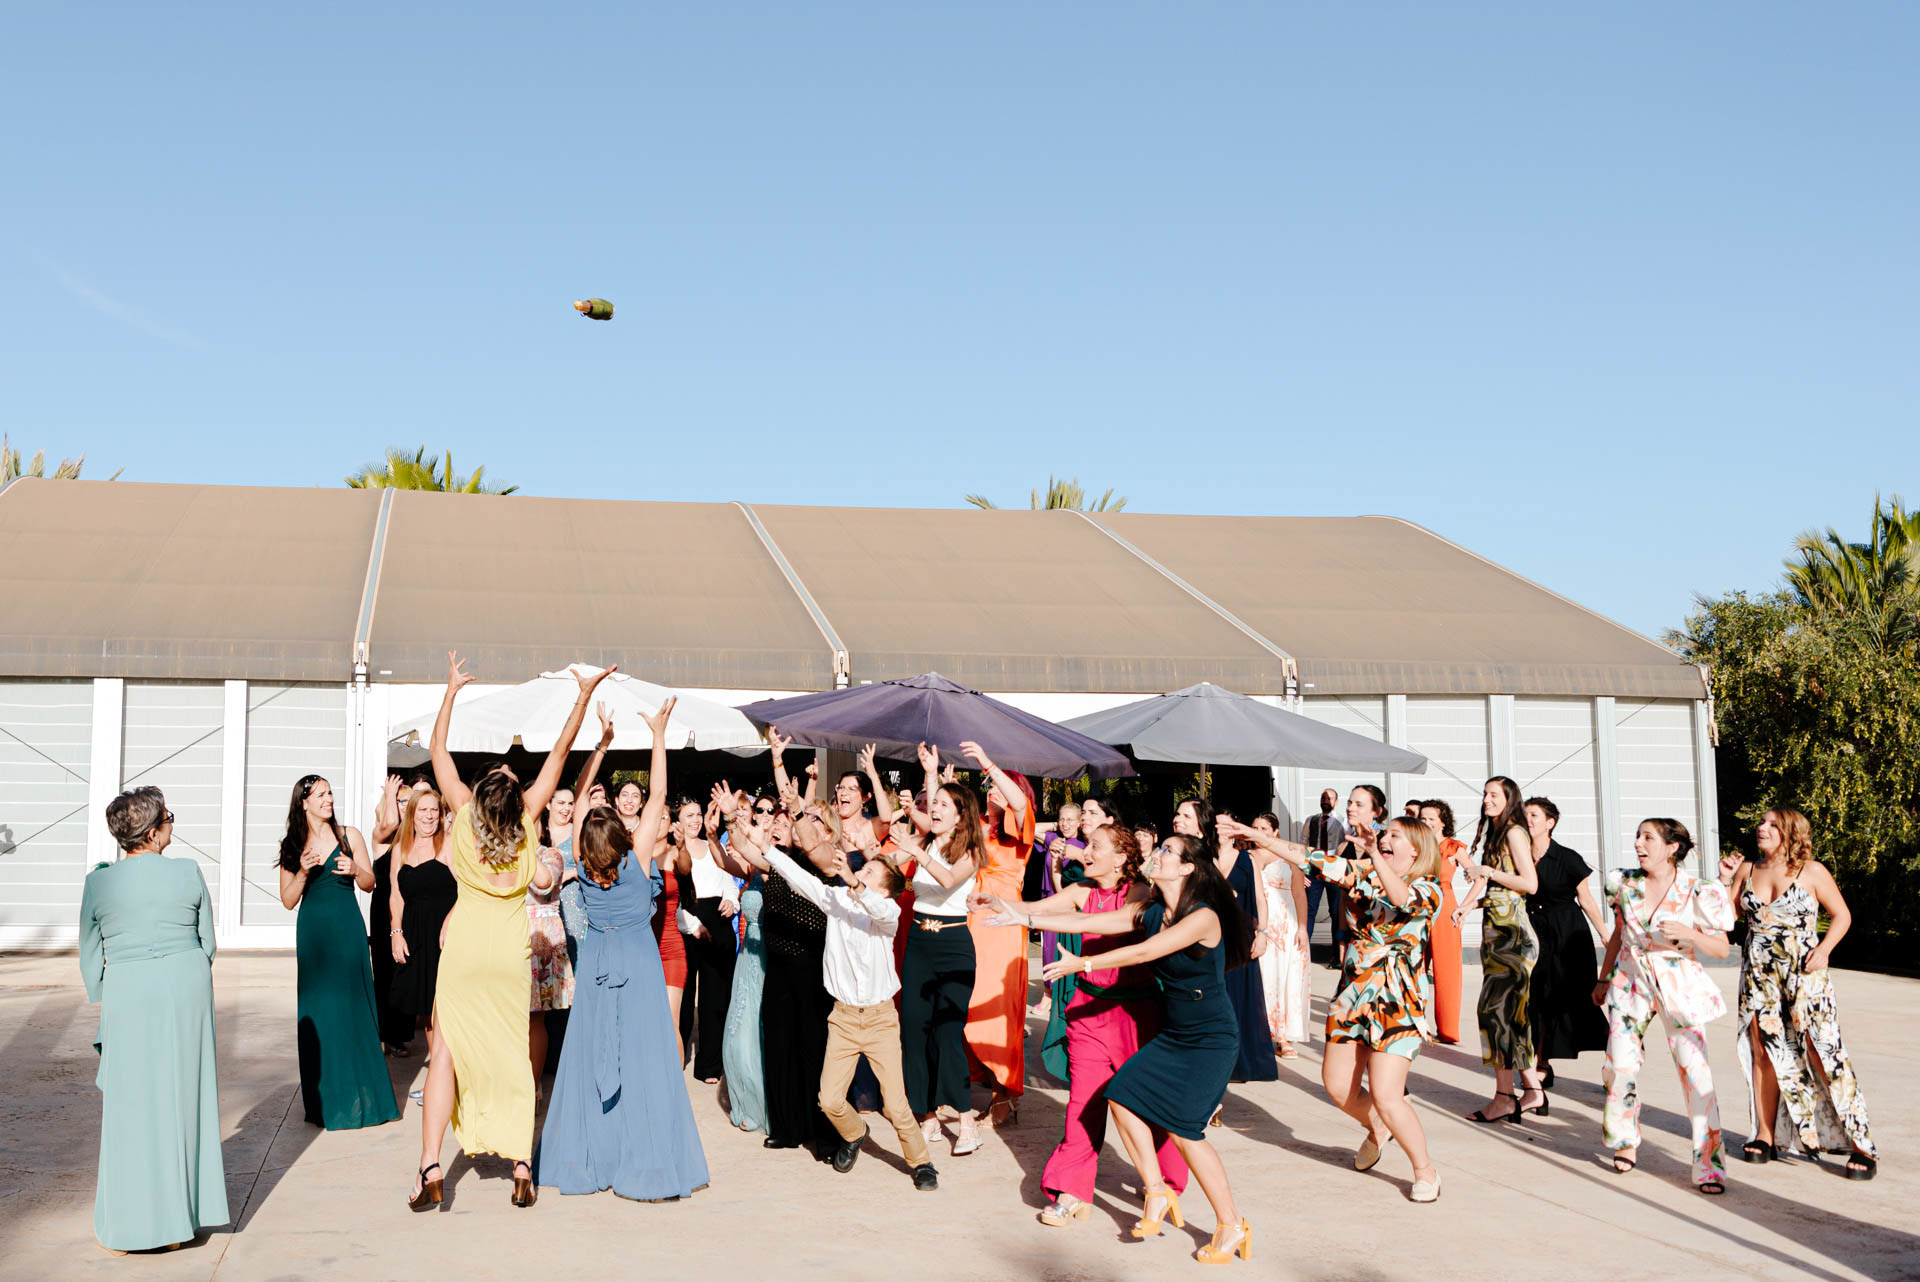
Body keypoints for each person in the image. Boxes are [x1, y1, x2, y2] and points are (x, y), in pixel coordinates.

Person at [408, 652, 612, 1211]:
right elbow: (562, 754)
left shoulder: (466, 814)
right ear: (515, 798)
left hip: (465, 949)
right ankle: (522, 1165)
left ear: (478, 795)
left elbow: (437, 752)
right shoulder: (526, 822)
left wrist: (451, 691)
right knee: (518, 1057)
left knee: (445, 1053)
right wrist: (583, 696)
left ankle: (430, 1169)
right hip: (508, 953)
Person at [1013, 834, 1255, 1264]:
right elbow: (1090, 922)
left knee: (1185, 1131)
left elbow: (1145, 951)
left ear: (1186, 869)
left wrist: (1082, 964)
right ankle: (1156, 1191)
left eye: (1166, 852)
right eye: (1157, 848)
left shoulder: (1203, 917)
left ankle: (1232, 1223)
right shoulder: (1152, 910)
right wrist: (1017, 914)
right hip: (1176, 1032)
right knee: (1122, 1096)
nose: (1156, 855)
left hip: (1210, 1038)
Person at [536, 698, 710, 1200]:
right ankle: (644, 1151)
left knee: (592, 1055)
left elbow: (572, 796)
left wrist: (599, 746)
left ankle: (596, 1151)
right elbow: (657, 792)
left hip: (595, 964)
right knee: (644, 1057)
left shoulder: (582, 866)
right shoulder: (635, 859)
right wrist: (658, 734)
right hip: (638, 963)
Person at [727, 792, 941, 1191]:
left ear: (884, 887)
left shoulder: (888, 914)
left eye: (872, 875)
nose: (861, 874)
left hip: (878, 1020)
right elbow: (800, 876)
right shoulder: (836, 900)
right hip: (842, 1018)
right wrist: (766, 846)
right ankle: (855, 1132)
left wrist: (855, 881)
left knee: (896, 1104)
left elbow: (877, 908)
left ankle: (921, 1162)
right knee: (829, 1100)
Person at [1227, 814, 1445, 1202]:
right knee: (1338, 1086)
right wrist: (1258, 837)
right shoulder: (1364, 873)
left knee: (1387, 1094)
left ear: (1417, 848)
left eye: (1394, 836)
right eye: (1385, 835)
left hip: (1398, 1003)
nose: (1385, 840)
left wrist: (1373, 856)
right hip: (1352, 996)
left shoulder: (1430, 888)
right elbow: (1309, 857)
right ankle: (1378, 1127)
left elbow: (1400, 899)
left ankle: (1425, 1170)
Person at [993, 824, 1189, 1226]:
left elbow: (1103, 924)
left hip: (1136, 1016)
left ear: (1120, 858)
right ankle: (1072, 1190)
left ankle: (1168, 1181)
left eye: (1096, 847)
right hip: (1088, 1011)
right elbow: (1045, 907)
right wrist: (1009, 910)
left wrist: (1032, 917)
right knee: (1083, 1103)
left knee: (1148, 1103)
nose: (1086, 852)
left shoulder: (1138, 894)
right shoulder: (1082, 891)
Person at [80, 787, 228, 1255]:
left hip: (128, 990)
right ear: (153, 830)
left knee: (130, 1107)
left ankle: (128, 1226)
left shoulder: (99, 883)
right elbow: (207, 942)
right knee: (184, 1099)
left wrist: (110, 994)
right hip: (185, 987)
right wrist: (185, 972)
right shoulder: (187, 871)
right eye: (168, 815)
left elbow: (89, 957)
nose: (172, 821)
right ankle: (178, 1223)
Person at [1721, 807, 1876, 1178]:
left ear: (1791, 832)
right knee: (1762, 1053)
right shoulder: (1748, 870)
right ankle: (1764, 1135)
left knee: (1823, 1052)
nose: (1762, 828)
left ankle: (1862, 1145)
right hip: (1759, 973)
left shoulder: (1813, 871)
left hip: (1804, 975)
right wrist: (1725, 883)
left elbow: (1842, 915)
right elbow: (1727, 922)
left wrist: (1823, 950)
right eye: (1761, 823)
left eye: (1772, 824)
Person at [1593, 818, 1732, 1194]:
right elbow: (1620, 933)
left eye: (1648, 837)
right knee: (1618, 1066)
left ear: (1672, 847)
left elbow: (1721, 948)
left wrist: (1689, 934)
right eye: (1637, 836)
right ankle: (1624, 1141)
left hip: (1678, 987)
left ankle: (1709, 1165)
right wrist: (1605, 978)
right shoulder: (1622, 883)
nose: (1638, 843)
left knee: (1696, 1076)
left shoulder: (1699, 890)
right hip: (1630, 982)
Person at [278, 774, 399, 1131]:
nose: (329, 799)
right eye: (321, 794)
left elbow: (371, 883)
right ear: (304, 802)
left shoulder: (350, 836)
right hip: (314, 934)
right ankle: (325, 1102)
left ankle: (366, 1097)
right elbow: (287, 900)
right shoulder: (293, 843)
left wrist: (356, 869)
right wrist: (302, 870)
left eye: (330, 792)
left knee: (354, 1007)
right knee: (322, 1011)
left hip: (348, 929)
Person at [891, 746, 987, 1157]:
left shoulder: (969, 851)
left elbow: (949, 881)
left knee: (948, 1033)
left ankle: (966, 1121)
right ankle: (926, 1114)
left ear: (960, 814)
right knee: (914, 1028)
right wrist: (930, 772)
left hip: (953, 946)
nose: (935, 809)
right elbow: (928, 814)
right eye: (935, 805)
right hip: (919, 943)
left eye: (945, 805)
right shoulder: (927, 838)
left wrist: (914, 852)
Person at [1455, 776, 1542, 1122]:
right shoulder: (1497, 832)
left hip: (1513, 937)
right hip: (1497, 932)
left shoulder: (1514, 833)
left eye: (1494, 795)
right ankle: (1532, 1090)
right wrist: (1468, 906)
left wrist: (1488, 871)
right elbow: (1499, 890)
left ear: (1509, 799)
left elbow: (1529, 884)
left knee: (1495, 1014)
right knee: (1511, 1016)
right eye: (1485, 794)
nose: (1487, 800)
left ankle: (1505, 1096)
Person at [961, 740, 1035, 1129]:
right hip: (974, 917)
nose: (991, 791)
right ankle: (988, 1080)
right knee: (970, 1001)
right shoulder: (980, 831)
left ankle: (1005, 1091)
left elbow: (1020, 805)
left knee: (998, 1006)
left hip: (1004, 918)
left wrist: (989, 764)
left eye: (1001, 786)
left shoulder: (1020, 827)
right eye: (989, 786)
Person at [1180, 798, 1275, 1092]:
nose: (1221, 831)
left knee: (1244, 998)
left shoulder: (1248, 860)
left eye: (1227, 826)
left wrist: (1264, 933)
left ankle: (1242, 1060)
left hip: (1243, 937)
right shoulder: (1203, 858)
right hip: (1211, 937)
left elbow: (1261, 899)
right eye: (1217, 826)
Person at [1523, 796, 1608, 1087]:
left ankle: (1617, 1061)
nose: (1529, 819)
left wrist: (1605, 934)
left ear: (1550, 823)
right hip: (1534, 932)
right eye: (1526, 814)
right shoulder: (1517, 856)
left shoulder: (1567, 858)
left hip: (1568, 932)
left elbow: (1586, 900)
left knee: (1577, 1000)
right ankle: (1541, 1062)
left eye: (1535, 815)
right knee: (1536, 998)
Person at [388, 783, 456, 1079]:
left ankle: (452, 1075)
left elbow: (468, 889)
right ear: (412, 814)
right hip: (415, 935)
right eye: (423, 810)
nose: (429, 816)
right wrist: (396, 932)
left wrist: (451, 919)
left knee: (448, 1008)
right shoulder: (400, 848)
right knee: (427, 1010)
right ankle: (438, 1077)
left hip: (446, 936)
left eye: (434, 810)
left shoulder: (449, 843)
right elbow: (395, 894)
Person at [719, 790, 776, 1133]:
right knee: (739, 1031)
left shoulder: (779, 855)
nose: (764, 814)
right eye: (760, 810)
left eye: (770, 810)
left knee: (769, 1032)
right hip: (750, 952)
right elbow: (728, 862)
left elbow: (750, 851)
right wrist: (715, 834)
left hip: (779, 955)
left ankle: (771, 1102)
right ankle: (746, 1097)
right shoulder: (753, 861)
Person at [674, 796, 737, 1084]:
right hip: (687, 921)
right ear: (678, 819)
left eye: (698, 814)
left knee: (715, 997)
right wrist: (693, 924)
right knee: (684, 999)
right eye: (689, 815)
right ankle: (677, 1056)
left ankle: (710, 1065)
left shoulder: (714, 844)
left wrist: (731, 900)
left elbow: (727, 876)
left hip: (718, 919)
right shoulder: (672, 850)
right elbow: (673, 896)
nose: (695, 820)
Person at [369, 774, 422, 1054]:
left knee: (405, 970)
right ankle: (382, 1034)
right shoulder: (382, 833)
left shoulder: (416, 838)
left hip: (409, 907)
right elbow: (390, 823)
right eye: (402, 801)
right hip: (383, 908)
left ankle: (398, 1035)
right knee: (385, 970)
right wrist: (391, 795)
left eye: (408, 802)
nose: (405, 806)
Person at [1251, 812, 1310, 1057]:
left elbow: (1299, 893)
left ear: (1275, 831)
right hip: (1259, 920)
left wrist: (1303, 928)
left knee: (1287, 977)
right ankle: (1260, 1032)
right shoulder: (1248, 856)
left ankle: (1283, 1035)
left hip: (1286, 920)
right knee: (1264, 976)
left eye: (1264, 827)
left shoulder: (1289, 855)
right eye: (1254, 827)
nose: (1259, 831)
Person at [1415, 800, 1469, 1044]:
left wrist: (1466, 907)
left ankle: (1447, 1030)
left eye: (1430, 819)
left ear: (1443, 822)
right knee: (1415, 966)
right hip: (1419, 903)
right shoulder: (1416, 844)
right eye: (1422, 819)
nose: (1425, 823)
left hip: (1446, 905)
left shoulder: (1454, 848)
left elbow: (1477, 876)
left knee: (1447, 971)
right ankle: (1416, 1023)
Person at [1029, 802, 1088, 975]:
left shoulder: (1083, 845)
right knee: (1048, 950)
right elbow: (1030, 828)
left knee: (1065, 949)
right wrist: (1055, 826)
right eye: (1062, 819)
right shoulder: (1054, 839)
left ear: (1079, 822)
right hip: (1049, 900)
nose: (1065, 823)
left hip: (1069, 903)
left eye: (1070, 820)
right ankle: (1048, 993)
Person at [1301, 789, 1347, 966]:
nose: (1326, 800)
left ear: (1336, 801)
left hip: (1334, 870)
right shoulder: (1311, 820)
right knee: (1309, 909)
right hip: (1314, 870)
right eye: (1323, 797)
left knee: (1336, 911)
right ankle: (1304, 952)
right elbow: (1303, 843)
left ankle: (1336, 955)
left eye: (1329, 798)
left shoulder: (1343, 822)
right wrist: (1303, 868)